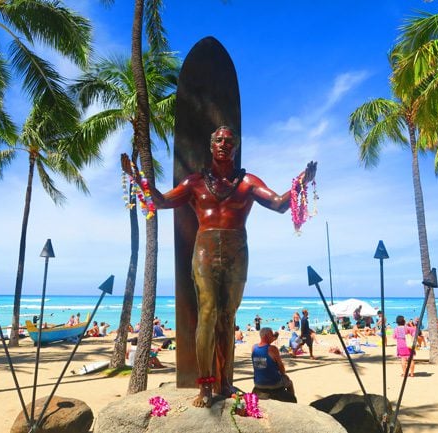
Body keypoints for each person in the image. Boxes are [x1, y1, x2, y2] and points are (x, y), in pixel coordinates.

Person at [122, 126, 316, 408]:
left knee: (227, 317)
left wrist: (300, 182)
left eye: (229, 141)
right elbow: (161, 201)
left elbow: (278, 204)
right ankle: (205, 386)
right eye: (219, 140)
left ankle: (225, 383)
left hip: (237, 249)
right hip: (205, 248)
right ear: (211, 146)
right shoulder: (195, 182)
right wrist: (137, 177)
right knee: (208, 313)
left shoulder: (247, 182)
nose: (224, 144)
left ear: (235, 148)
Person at [251, 327, 296, 402]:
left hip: (258, 383)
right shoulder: (272, 349)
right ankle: (292, 401)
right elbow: (281, 366)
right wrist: (283, 374)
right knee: (289, 383)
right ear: (267, 336)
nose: (273, 337)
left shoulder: (254, 348)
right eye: (272, 335)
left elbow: (262, 365)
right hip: (273, 383)